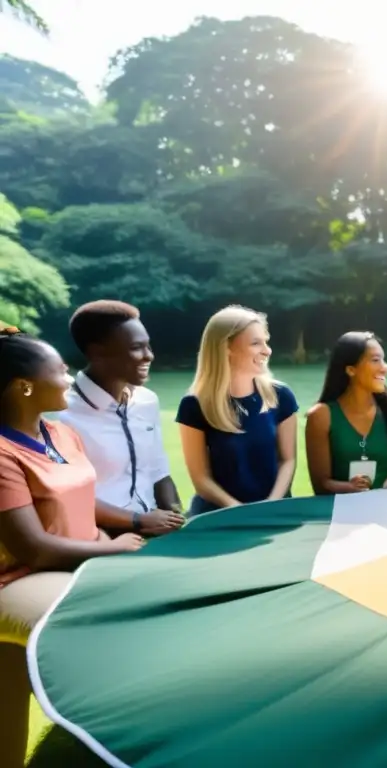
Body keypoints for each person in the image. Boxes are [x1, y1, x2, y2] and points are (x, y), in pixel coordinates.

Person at [0, 328, 144, 768]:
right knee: (104, 636)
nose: (69, 378)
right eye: (60, 371)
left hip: (78, 563)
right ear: (25, 386)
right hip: (23, 578)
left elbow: (81, 498)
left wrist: (132, 524)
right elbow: (34, 548)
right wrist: (116, 550)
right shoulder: (3, 453)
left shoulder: (62, 434)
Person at [58, 300, 184, 536]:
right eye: (137, 347)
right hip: (100, 539)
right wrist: (138, 520)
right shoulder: (61, 413)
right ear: (97, 352)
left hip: (154, 531)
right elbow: (65, 494)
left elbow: (158, 470)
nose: (149, 356)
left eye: (148, 346)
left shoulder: (147, 401)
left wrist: (176, 518)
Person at [176, 306, 298, 515]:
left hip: (275, 513)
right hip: (219, 517)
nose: (267, 350)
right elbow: (201, 479)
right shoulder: (194, 405)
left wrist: (271, 504)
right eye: (255, 343)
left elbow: (288, 460)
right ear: (226, 347)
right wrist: (238, 510)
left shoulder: (281, 396)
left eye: (266, 341)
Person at [306, 332, 387, 494]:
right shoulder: (321, 416)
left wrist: (379, 492)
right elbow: (321, 484)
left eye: (384, 360)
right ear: (351, 369)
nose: (386, 368)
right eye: (376, 360)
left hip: (386, 508)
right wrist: (350, 489)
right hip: (338, 512)